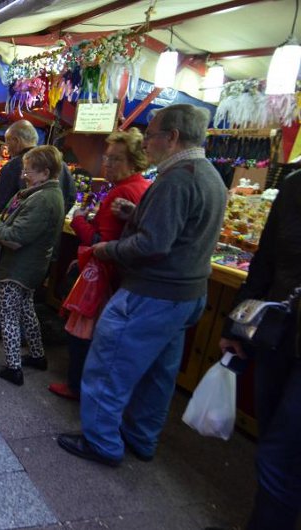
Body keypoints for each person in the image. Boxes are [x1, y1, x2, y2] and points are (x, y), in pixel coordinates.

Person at [57, 104, 228, 466]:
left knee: (109, 365)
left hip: (153, 294)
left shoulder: (178, 178)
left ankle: (101, 442)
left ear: (173, 137)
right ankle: (140, 438)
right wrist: (135, 215)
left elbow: (153, 245)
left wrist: (106, 248)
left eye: (150, 135)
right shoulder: (209, 174)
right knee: (157, 376)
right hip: (187, 294)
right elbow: (181, 230)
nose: (147, 143)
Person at [218, 170, 301, 530]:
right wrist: (236, 325)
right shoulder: (295, 185)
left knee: (278, 458)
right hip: (279, 336)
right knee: (273, 448)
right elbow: (264, 264)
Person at [48, 129, 151, 401]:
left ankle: (76, 385)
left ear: (134, 161)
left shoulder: (124, 191)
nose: (108, 164)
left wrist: (80, 219)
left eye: (116, 159)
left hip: (104, 276)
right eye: (108, 158)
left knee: (83, 332)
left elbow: (99, 242)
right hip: (121, 276)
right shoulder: (142, 187)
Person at [0, 146, 65, 385]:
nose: (23, 175)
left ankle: (13, 368)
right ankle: (38, 356)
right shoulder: (48, 194)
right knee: (27, 310)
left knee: (7, 315)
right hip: (32, 266)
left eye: (29, 171)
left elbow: (15, 238)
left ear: (45, 172)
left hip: (19, 268)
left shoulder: (42, 199)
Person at [0, 120, 39, 341]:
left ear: (16, 141)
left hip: (10, 236)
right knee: (23, 291)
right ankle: (21, 334)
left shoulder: (17, 166)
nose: (7, 147)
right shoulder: (53, 165)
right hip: (38, 245)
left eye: (8, 142)